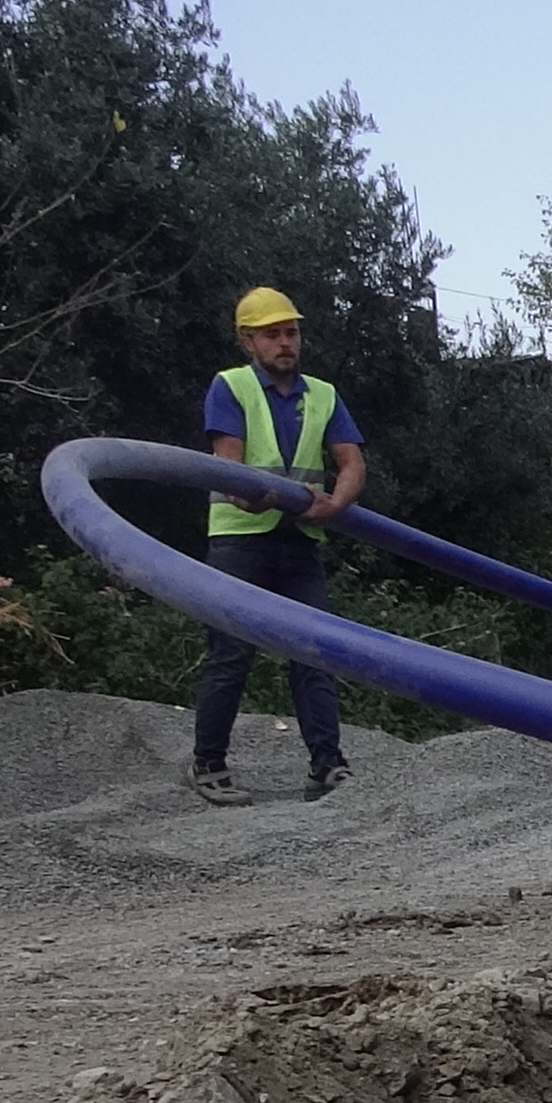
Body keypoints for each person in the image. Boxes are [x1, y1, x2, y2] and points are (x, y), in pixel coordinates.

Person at [189, 286, 366, 805]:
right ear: (248, 341)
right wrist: (269, 499)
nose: (286, 342)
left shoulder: (324, 394)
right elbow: (229, 465)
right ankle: (209, 764)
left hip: (301, 537)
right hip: (240, 538)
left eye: (290, 332)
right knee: (231, 651)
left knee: (315, 650)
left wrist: (334, 505)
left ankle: (327, 766)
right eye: (273, 334)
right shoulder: (231, 387)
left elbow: (351, 463)